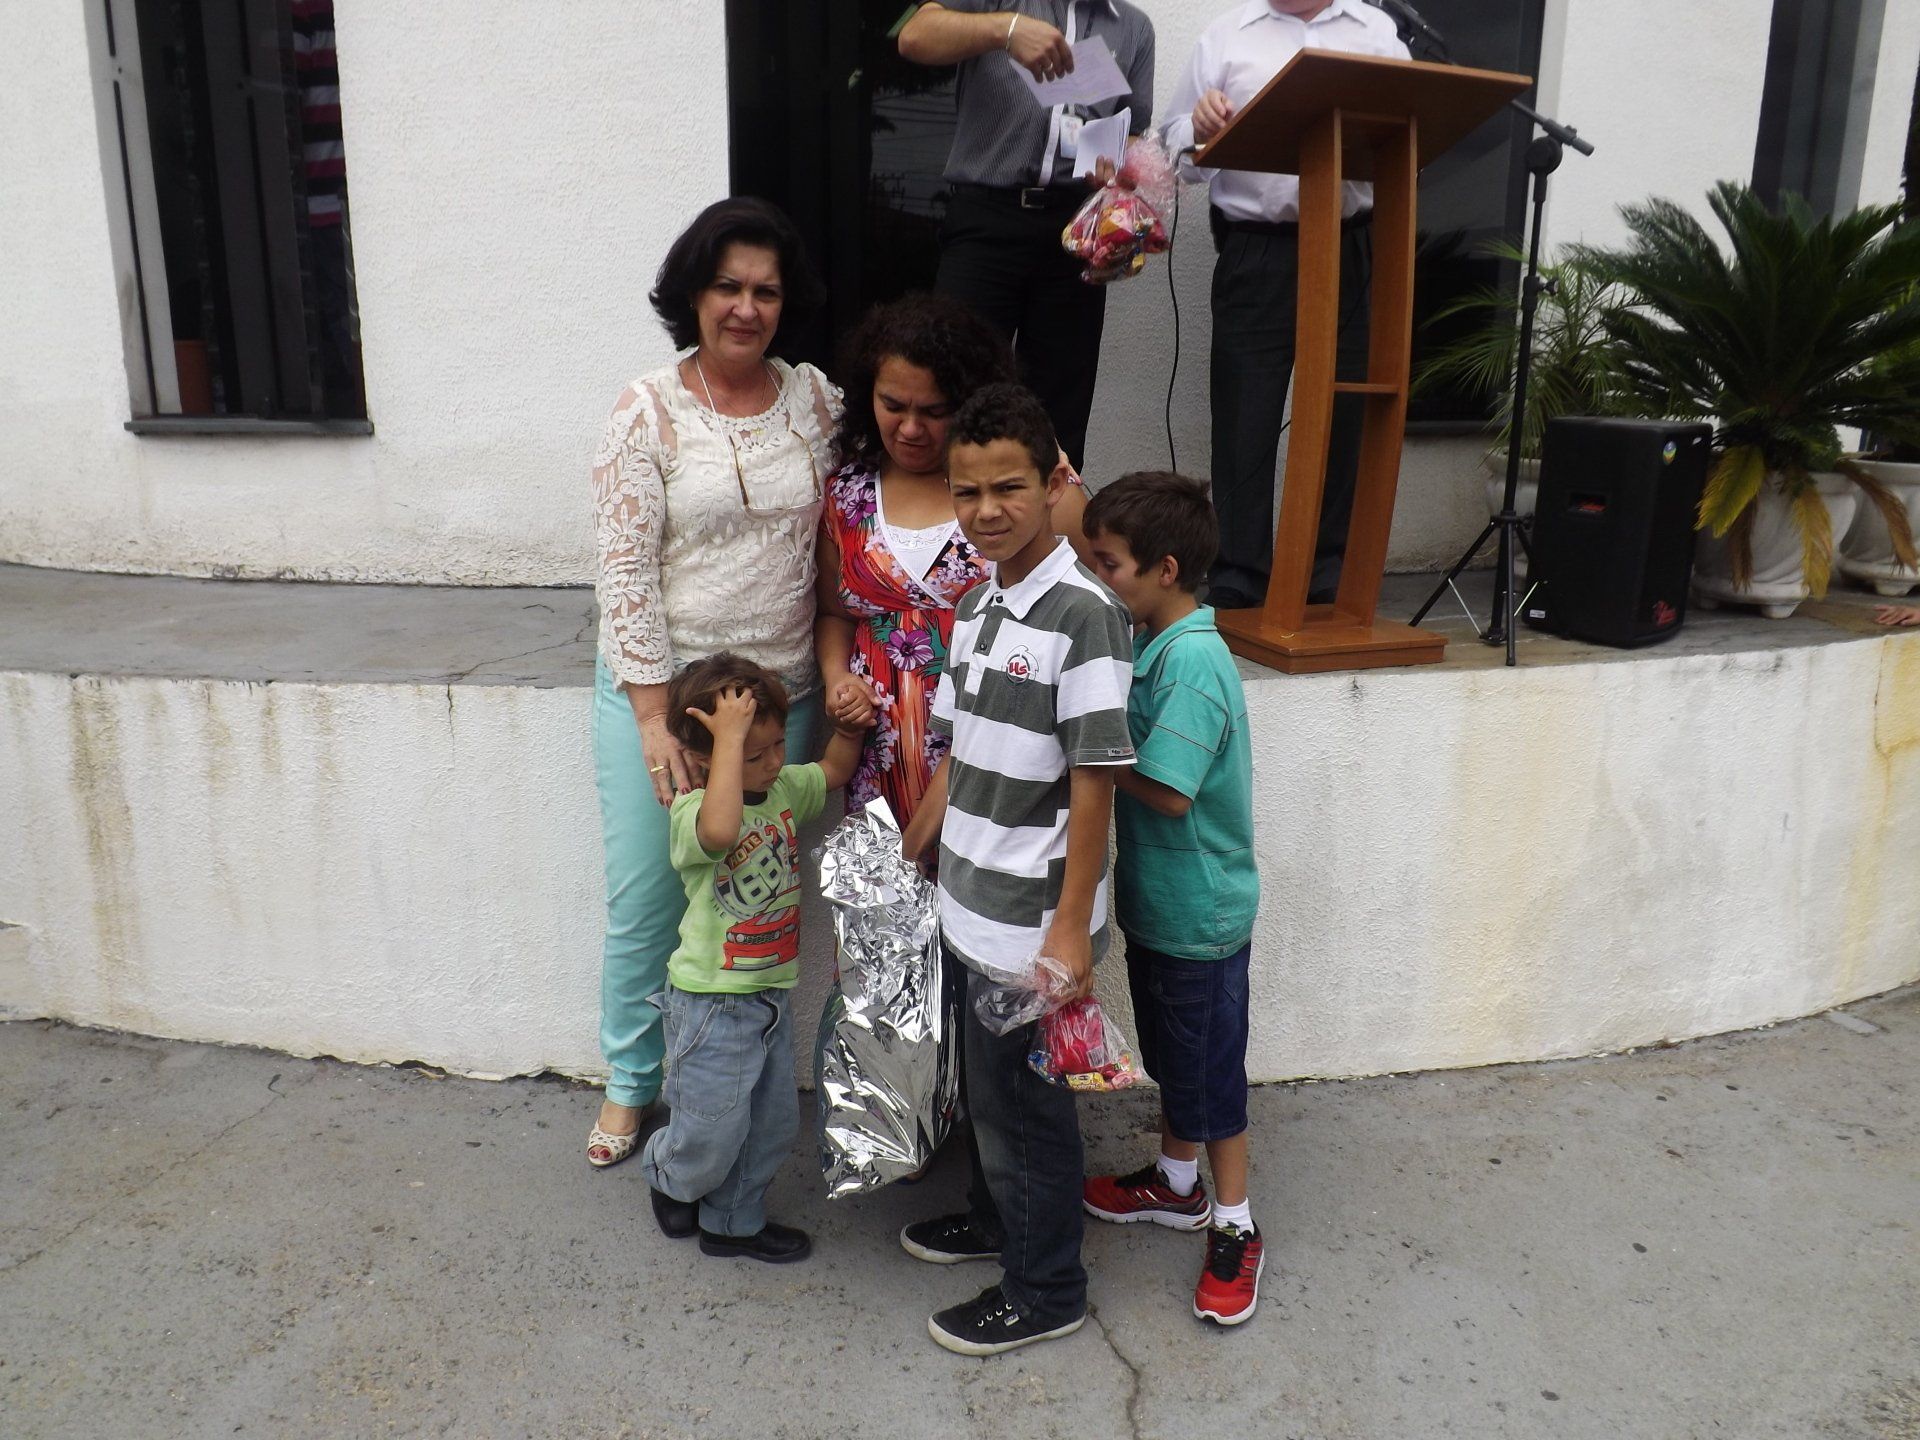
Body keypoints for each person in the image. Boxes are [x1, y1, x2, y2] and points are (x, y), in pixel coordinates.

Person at [587, 198, 840, 1169]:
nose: (746, 307)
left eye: (766, 291)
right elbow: (624, 570)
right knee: (650, 901)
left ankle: (742, 1080)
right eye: (728, 286)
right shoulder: (647, 409)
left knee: (754, 894)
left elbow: (891, 465)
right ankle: (630, 1082)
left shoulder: (816, 400)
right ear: (693, 294)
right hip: (668, 701)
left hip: (781, 702)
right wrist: (655, 719)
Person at [898, 384, 1136, 1355]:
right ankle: (999, 1221)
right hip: (970, 900)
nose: (987, 510)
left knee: (1027, 1110)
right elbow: (958, 754)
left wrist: (1070, 927)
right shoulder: (975, 606)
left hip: (1033, 925)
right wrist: (914, 850)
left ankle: (1045, 1289)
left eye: (1008, 487)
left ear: (1054, 482)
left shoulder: (1086, 615)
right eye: (967, 492)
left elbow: (1095, 780)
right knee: (988, 1096)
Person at [1077, 472, 1265, 1326]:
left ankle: (1236, 1223)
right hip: (1165, 907)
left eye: (1108, 563)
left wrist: (1086, 746)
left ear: (1165, 569)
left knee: (1210, 1076)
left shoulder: (1189, 661)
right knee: (1177, 1056)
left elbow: (1170, 790)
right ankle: (1176, 1184)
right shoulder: (1155, 640)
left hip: (1200, 917)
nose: (1097, 575)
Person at [815, 292, 1093, 829]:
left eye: (934, 411)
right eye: (893, 405)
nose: (910, 428)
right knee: (887, 882)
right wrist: (836, 679)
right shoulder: (847, 493)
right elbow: (833, 613)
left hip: (999, 767)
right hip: (878, 765)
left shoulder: (1021, 489)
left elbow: (1093, 600)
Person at [1162, 0, 1408, 608]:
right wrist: (1197, 125)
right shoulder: (1227, 36)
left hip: (1351, 245)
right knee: (1244, 411)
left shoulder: (1375, 31)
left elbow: (1410, 127)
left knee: (1347, 406)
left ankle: (1329, 569)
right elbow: (1171, 142)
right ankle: (1240, 570)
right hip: (1257, 247)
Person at [641, 654, 871, 1262]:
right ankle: (671, 1174)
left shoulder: (782, 788)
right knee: (710, 1124)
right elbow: (721, 833)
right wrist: (728, 742)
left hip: (769, 996)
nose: (772, 762)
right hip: (709, 1003)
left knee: (769, 1126)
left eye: (776, 746)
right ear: (706, 756)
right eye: (752, 753)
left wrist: (847, 728)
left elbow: (834, 770)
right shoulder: (693, 808)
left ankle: (732, 1221)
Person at [896, 2, 1155, 471]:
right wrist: (1006, 30)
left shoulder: (1134, 29)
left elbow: (1132, 131)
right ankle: (946, 513)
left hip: (1075, 231)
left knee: (1061, 406)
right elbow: (915, 36)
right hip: (987, 219)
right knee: (953, 381)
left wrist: (1125, 172)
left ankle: (1051, 514)